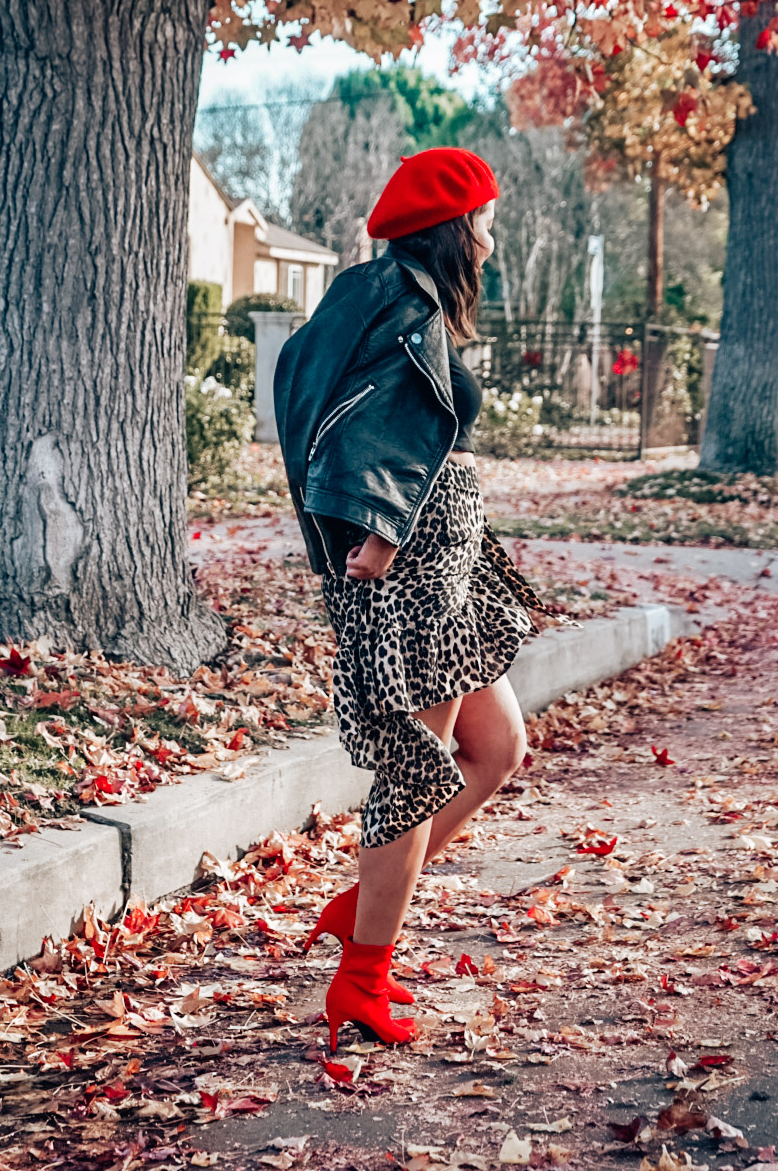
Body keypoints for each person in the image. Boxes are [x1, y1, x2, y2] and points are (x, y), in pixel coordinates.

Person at [275, 147, 562, 1053]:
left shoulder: (379, 293)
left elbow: (302, 387)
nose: (491, 233)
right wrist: (381, 527)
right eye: (484, 217)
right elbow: (375, 426)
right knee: (420, 765)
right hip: (416, 562)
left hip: (442, 555)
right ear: (452, 226)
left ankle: (366, 907)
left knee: (498, 746)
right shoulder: (403, 305)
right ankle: (362, 976)